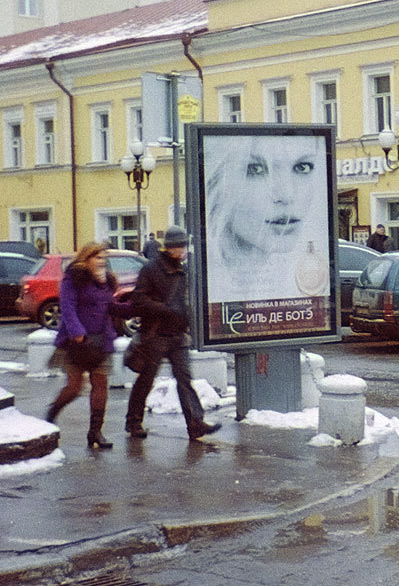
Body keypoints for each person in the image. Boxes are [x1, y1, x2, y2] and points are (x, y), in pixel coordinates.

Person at [205, 134, 330, 302]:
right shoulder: (209, 284)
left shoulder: (300, 278)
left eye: (302, 167)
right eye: (255, 169)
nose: (286, 195)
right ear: (215, 179)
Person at [125, 226, 222, 441]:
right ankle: (133, 422)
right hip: (156, 334)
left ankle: (195, 424)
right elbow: (138, 300)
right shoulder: (151, 270)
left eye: (184, 246)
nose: (182, 250)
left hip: (178, 335)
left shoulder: (184, 270)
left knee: (185, 379)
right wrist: (166, 309)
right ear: (169, 248)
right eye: (178, 246)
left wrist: (189, 319)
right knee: (146, 379)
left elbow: (187, 299)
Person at [45, 242, 134, 449]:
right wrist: (77, 332)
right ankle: (51, 415)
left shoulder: (105, 282)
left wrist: (132, 308)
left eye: (104, 257)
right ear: (87, 258)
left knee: (100, 385)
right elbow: (67, 307)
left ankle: (95, 432)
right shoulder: (73, 278)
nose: (102, 261)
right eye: (98, 257)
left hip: (101, 340)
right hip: (77, 342)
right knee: (75, 387)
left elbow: (109, 306)